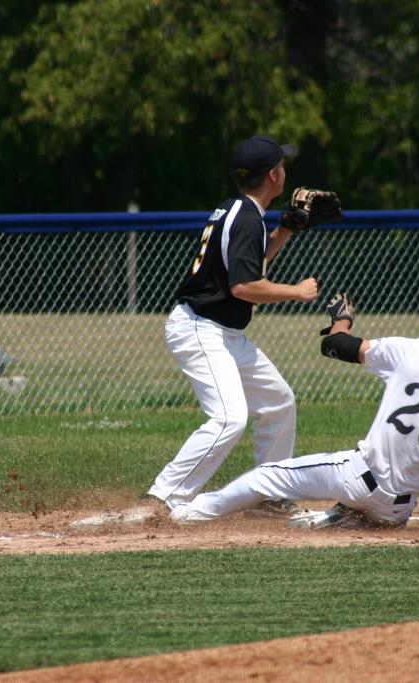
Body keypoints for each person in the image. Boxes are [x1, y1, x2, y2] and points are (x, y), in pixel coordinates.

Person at [169, 293, 419, 536]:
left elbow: (334, 345)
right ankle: (340, 516)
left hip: (357, 478)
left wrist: (342, 318)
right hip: (397, 511)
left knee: (266, 476)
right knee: (371, 511)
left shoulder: (413, 351)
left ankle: (186, 515)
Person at [141, 134, 319, 519]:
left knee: (278, 401)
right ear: (273, 176)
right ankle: (160, 499)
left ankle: (268, 495)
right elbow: (244, 286)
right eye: (282, 165)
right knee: (228, 418)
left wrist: (285, 230)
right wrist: (297, 291)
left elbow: (248, 264)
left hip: (223, 331)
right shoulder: (247, 219)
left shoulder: (237, 210)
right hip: (201, 328)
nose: (284, 171)